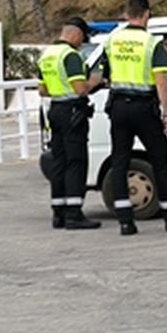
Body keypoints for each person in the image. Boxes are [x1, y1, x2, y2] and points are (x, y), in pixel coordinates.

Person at [103, 0, 167, 236]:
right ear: (146, 15)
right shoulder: (151, 43)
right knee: (159, 160)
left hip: (119, 107)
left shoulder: (112, 40)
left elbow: (106, 76)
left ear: (126, 14)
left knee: (120, 161)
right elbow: (161, 82)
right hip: (144, 107)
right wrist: (166, 114)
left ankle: (125, 222)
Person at [37, 16, 103, 229]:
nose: (82, 43)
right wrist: (96, 81)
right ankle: (74, 213)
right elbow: (80, 89)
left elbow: (42, 90)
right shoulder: (70, 56)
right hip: (72, 111)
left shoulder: (47, 55)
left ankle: (59, 213)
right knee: (76, 162)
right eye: (83, 38)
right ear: (75, 33)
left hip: (55, 110)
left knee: (59, 162)